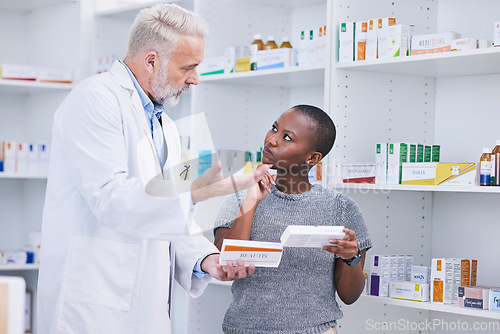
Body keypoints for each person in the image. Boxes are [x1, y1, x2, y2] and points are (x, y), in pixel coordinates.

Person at [37, 4, 269, 334]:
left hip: (147, 307)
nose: (195, 79)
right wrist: (203, 189)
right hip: (92, 306)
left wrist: (207, 261)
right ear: (151, 61)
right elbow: (111, 199)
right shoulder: (95, 99)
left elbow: (172, 218)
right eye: (188, 66)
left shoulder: (166, 127)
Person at [214, 105, 372, 334]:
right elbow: (225, 265)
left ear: (312, 157)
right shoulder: (240, 197)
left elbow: (349, 296)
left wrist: (351, 258)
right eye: (274, 128)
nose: (272, 140)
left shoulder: (341, 208)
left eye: (286, 137)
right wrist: (251, 201)